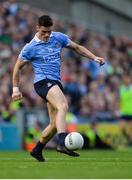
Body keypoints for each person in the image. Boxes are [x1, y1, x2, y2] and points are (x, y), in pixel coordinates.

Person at [12, 15, 105, 162]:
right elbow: (17, 67)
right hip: (43, 82)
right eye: (44, 32)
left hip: (55, 82)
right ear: (37, 28)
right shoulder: (30, 48)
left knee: (54, 124)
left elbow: (77, 47)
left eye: (49, 31)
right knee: (63, 105)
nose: (47, 34)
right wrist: (15, 89)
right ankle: (62, 142)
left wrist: (94, 57)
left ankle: (37, 150)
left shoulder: (58, 38)